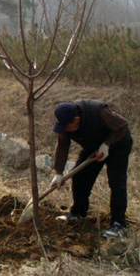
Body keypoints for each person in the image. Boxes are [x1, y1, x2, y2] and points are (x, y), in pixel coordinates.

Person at [50, 100, 133, 238]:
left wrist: (107, 144)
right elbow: (63, 145)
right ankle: (78, 213)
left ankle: (118, 224)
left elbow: (122, 126)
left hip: (118, 144)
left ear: (77, 119)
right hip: (93, 146)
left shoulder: (99, 112)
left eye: (67, 127)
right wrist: (58, 172)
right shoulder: (66, 124)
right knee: (80, 176)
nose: (65, 130)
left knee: (116, 183)